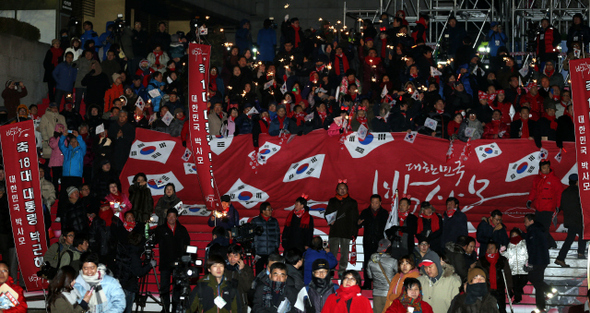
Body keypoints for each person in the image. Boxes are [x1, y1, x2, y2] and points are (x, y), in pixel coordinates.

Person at [154, 208, 191, 313]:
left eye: (173, 216)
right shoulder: (160, 229)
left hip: (179, 263)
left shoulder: (182, 229)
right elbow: (154, 240)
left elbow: (187, 243)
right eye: (169, 216)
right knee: (164, 287)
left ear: (176, 217)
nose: (171, 218)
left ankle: (175, 308)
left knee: (177, 287)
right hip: (165, 262)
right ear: (166, 217)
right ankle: (165, 308)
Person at [325, 181, 359, 277]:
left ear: (347, 190)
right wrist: (329, 220)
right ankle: (331, 270)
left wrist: (354, 232)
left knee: (344, 253)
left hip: (346, 231)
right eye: (340, 188)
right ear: (337, 190)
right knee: (332, 253)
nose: (342, 190)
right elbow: (327, 213)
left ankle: (342, 270)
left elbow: (355, 218)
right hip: (334, 231)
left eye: (344, 188)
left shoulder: (352, 202)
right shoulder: (332, 201)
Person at [526, 159, 563, 248]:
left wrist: (558, 205)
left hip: (549, 207)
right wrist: (530, 200)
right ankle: (550, 243)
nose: (546, 170)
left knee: (544, 228)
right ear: (540, 168)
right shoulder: (537, 179)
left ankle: (548, 244)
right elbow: (533, 190)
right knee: (538, 227)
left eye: (547, 167)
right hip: (539, 207)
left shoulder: (555, 179)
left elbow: (559, 193)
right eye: (544, 168)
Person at [522, 213, 553, 312]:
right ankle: (541, 307)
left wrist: (531, 263)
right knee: (538, 283)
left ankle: (549, 290)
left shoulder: (533, 230)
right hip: (542, 259)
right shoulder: (537, 229)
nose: (524, 223)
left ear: (532, 221)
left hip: (538, 260)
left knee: (532, 278)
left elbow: (533, 248)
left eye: (526, 221)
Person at [358, 194, 389, 289]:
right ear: (370, 203)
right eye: (372, 202)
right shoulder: (365, 212)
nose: (374, 204)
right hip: (368, 241)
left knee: (379, 263)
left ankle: (378, 284)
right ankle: (367, 284)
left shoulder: (385, 213)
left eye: (376, 202)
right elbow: (358, 224)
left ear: (380, 203)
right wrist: (358, 223)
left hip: (380, 242)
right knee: (367, 262)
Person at [556, 174, 587, 267]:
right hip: (579, 220)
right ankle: (580, 253)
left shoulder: (565, 192)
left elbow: (562, 206)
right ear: (577, 182)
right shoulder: (579, 192)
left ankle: (560, 258)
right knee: (583, 236)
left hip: (570, 220)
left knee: (569, 240)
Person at [476, 241, 512, 313]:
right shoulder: (482, 260)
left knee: (501, 309)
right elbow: (478, 274)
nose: (489, 250)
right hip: (486, 289)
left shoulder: (502, 260)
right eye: (488, 248)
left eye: (492, 248)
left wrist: (510, 288)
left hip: (499, 289)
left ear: (496, 250)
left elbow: (507, 274)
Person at [367, 239, 397, 313]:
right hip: (389, 293)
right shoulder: (393, 261)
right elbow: (398, 275)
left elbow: (370, 276)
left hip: (376, 292)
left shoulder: (371, 261)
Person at [250, 201, 281, 274]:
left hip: (271, 252)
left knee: (271, 272)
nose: (271, 211)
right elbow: (252, 237)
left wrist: (276, 247)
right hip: (259, 252)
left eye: (271, 209)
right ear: (263, 211)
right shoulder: (255, 221)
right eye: (269, 209)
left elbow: (277, 235)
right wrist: (254, 250)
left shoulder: (274, 221)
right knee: (259, 273)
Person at [501, 228, 528, 304]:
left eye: (516, 235)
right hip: (513, 269)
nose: (514, 236)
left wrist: (528, 262)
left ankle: (516, 292)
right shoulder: (509, 245)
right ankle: (517, 299)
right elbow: (508, 255)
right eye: (512, 235)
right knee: (515, 284)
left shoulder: (524, 243)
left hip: (523, 268)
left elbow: (528, 253)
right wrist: (502, 252)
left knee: (523, 282)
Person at [225, 244, 255, 313]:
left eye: (235, 256)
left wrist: (241, 271)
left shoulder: (247, 269)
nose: (232, 259)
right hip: (225, 304)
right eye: (230, 256)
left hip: (240, 304)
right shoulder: (223, 269)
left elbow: (247, 288)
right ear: (227, 255)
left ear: (241, 256)